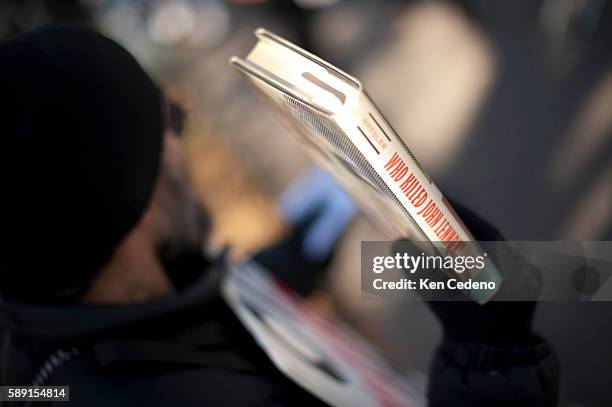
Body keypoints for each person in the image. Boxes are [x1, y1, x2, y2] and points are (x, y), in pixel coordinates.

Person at [0, 25, 558, 406]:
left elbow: (178, 330)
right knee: (581, 275)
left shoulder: (62, 316)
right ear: (133, 207)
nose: (181, 128)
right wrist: (490, 361)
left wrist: (284, 265)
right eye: (166, 121)